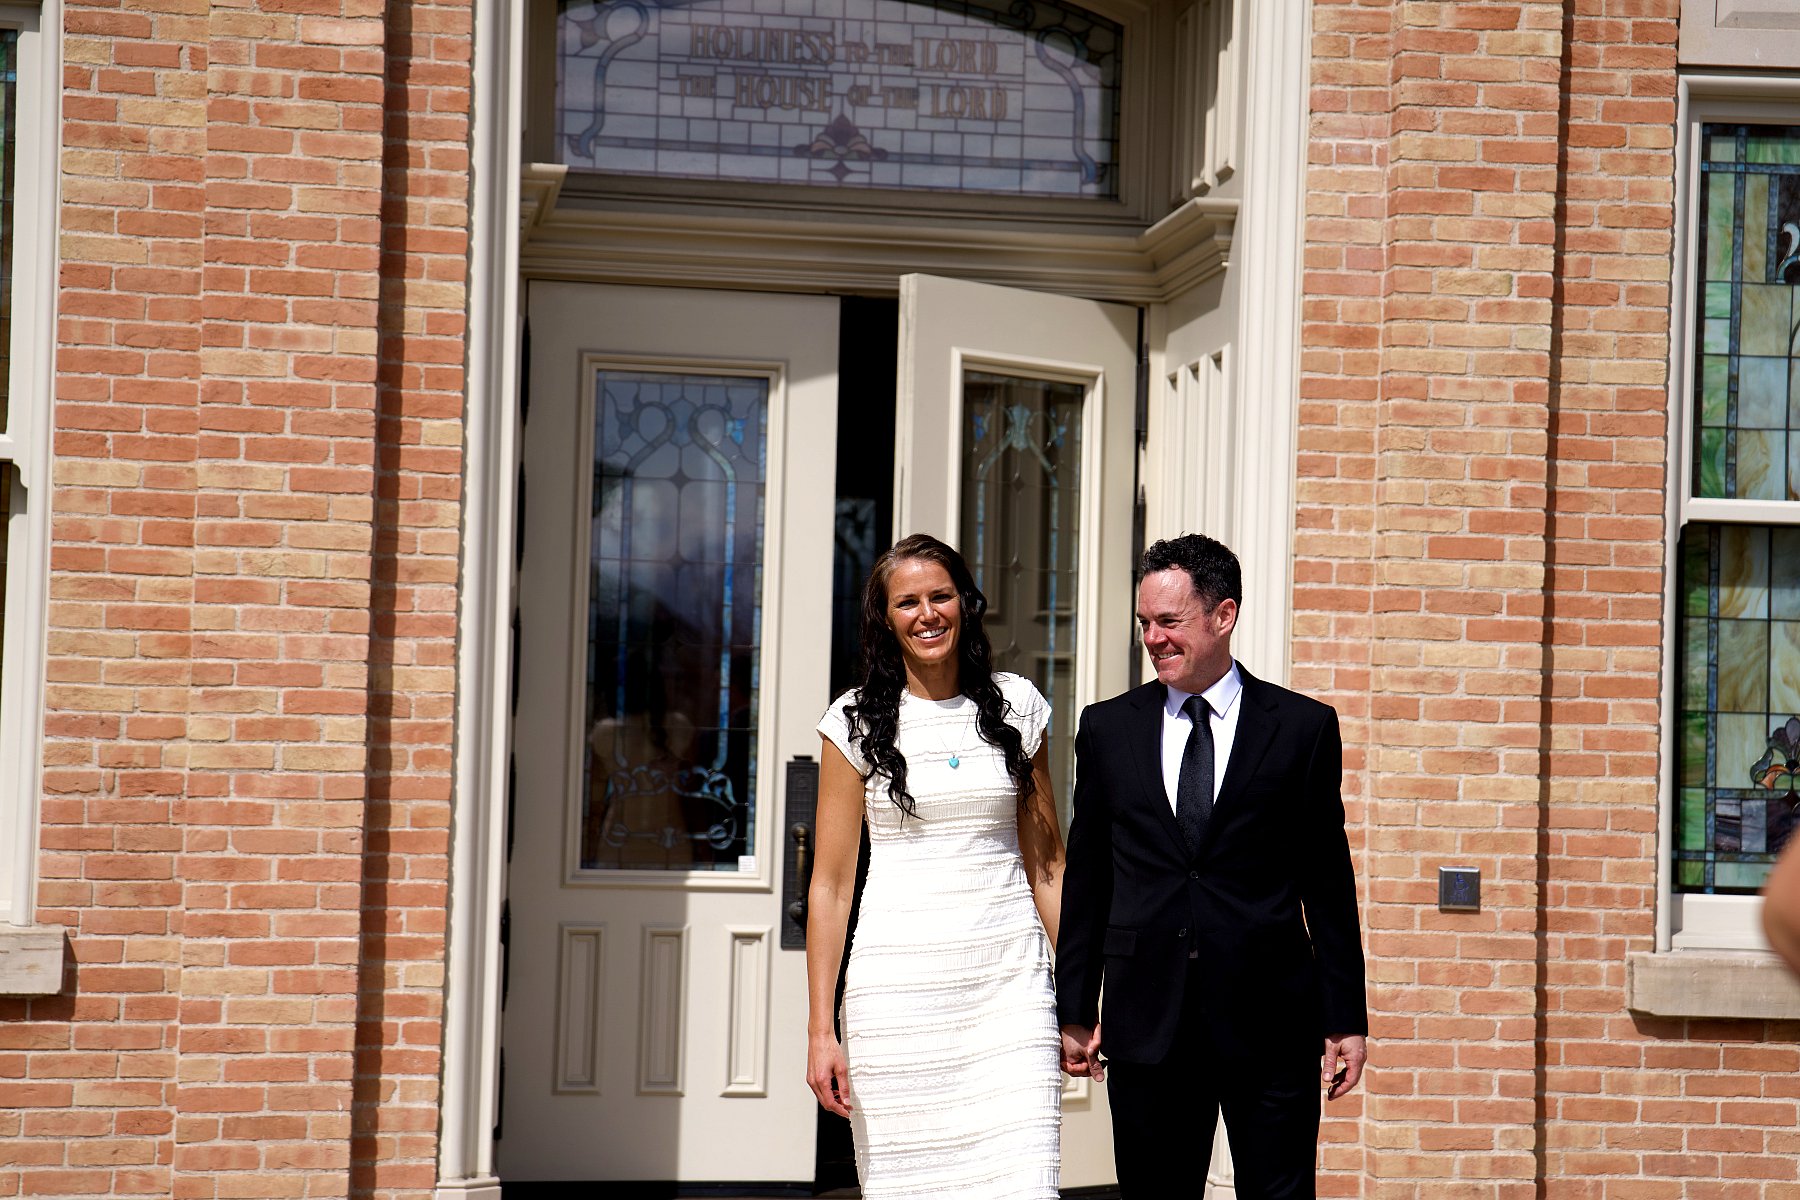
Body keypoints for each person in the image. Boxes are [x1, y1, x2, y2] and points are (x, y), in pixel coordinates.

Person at [1056, 533, 1368, 1199]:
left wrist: (1345, 1017)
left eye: (1169, 621)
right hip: (1147, 1020)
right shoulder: (1108, 729)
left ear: (1223, 615)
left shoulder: (1303, 728)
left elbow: (1327, 883)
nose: (1153, 638)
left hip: (1272, 1022)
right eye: (1145, 622)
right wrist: (1075, 1007)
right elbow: (1088, 878)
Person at [806, 533, 1067, 1198]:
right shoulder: (854, 723)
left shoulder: (1018, 707)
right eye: (907, 602)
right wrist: (820, 1030)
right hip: (899, 998)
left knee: (1025, 1183)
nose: (927, 614)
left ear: (966, 603)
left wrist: (1081, 994)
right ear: (885, 618)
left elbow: (1049, 867)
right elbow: (831, 886)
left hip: (1009, 990)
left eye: (941, 596)